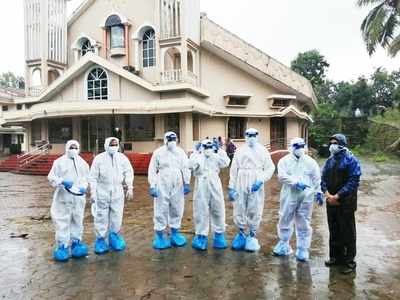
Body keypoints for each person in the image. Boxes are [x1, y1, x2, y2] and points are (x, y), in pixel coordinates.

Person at [272, 138, 322, 262]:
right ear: (292, 147)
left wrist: (319, 192)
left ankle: (302, 249)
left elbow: (317, 178)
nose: (300, 148)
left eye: (302, 146)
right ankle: (284, 243)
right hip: (289, 194)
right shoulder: (284, 161)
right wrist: (295, 183)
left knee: (304, 220)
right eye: (297, 146)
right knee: (285, 218)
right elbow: (282, 176)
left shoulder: (311, 162)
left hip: (306, 196)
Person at [228, 128, 275, 252]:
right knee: (239, 205)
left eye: (254, 134)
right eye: (249, 135)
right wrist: (231, 187)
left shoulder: (263, 150)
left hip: (256, 179)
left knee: (255, 207)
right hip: (241, 179)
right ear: (245, 136)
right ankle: (241, 233)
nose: (251, 137)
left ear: (257, 135)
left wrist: (261, 180)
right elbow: (234, 169)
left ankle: (252, 235)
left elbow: (270, 168)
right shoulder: (240, 150)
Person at [321, 134, 361, 274]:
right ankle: (335, 257)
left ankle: (349, 261)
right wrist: (327, 194)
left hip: (345, 202)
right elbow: (323, 179)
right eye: (331, 142)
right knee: (334, 230)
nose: (332, 145)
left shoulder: (351, 160)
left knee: (347, 232)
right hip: (331, 201)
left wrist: (338, 196)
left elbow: (353, 181)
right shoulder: (329, 161)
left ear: (342, 144)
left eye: (335, 142)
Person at [90, 137, 134, 255]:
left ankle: (114, 236)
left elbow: (129, 172)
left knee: (117, 214)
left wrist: (130, 187)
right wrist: (93, 193)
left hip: (117, 190)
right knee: (101, 216)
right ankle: (100, 240)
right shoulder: (99, 159)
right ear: (106, 145)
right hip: (102, 190)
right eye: (111, 144)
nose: (114, 147)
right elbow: (93, 177)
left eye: (115, 144)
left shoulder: (122, 158)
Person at [148, 132, 191, 250]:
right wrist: (152, 185)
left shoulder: (180, 152)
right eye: (170, 139)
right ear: (165, 140)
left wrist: (187, 182)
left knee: (177, 206)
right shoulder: (158, 152)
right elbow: (152, 169)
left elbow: (186, 167)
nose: (172, 141)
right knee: (161, 207)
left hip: (177, 181)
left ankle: (175, 232)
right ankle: (160, 235)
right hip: (162, 180)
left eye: (174, 139)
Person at [48, 140, 90, 262]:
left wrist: (84, 187)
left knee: (78, 220)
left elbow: (86, 178)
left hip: (78, 198)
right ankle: (62, 246)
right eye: (71, 147)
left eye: (75, 147)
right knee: (62, 221)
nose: (73, 150)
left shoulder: (83, 163)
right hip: (63, 197)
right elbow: (51, 177)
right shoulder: (59, 162)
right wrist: (61, 181)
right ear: (67, 148)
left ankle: (76, 243)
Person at [189, 139, 230, 251]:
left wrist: (220, 150)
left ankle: (219, 235)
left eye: (210, 147)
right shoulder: (197, 157)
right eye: (205, 147)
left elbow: (226, 162)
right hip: (201, 183)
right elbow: (190, 165)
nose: (208, 150)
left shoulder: (216, 156)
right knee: (200, 210)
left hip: (215, 182)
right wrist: (195, 152)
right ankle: (201, 236)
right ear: (202, 147)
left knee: (218, 208)